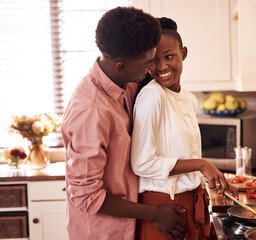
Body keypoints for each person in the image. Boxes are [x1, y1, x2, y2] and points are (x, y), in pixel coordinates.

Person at [61, 7, 187, 240]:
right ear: (121, 66)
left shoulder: (125, 81)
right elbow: (86, 196)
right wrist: (154, 214)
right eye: (148, 62)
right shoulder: (91, 111)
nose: (154, 68)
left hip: (131, 225)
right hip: (103, 233)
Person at [131, 17, 233, 240]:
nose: (162, 67)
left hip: (190, 203)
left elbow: (182, 154)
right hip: (165, 210)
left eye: (169, 57)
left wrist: (213, 179)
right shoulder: (151, 96)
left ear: (184, 53)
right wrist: (202, 165)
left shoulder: (187, 98)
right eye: (153, 61)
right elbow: (141, 163)